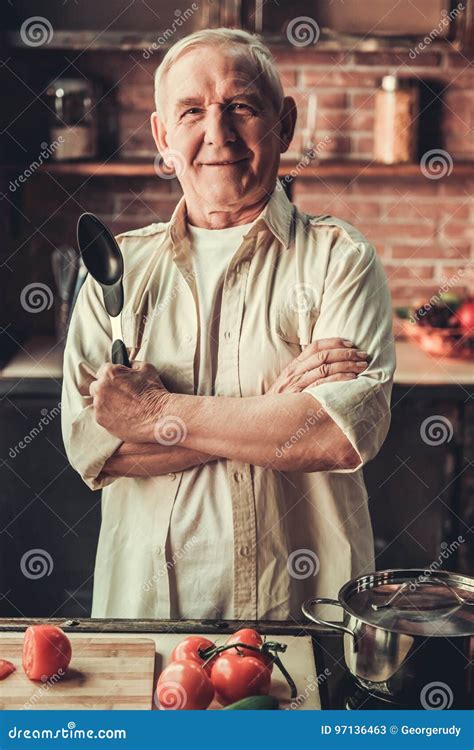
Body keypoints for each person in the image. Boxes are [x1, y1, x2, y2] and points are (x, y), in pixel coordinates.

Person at [61, 28, 395, 621]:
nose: (218, 133)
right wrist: (271, 409)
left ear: (284, 124)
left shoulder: (340, 258)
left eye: (241, 106)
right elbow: (93, 448)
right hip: (149, 619)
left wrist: (150, 416)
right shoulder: (116, 272)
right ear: (163, 136)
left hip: (302, 613)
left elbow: (337, 437)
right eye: (192, 111)